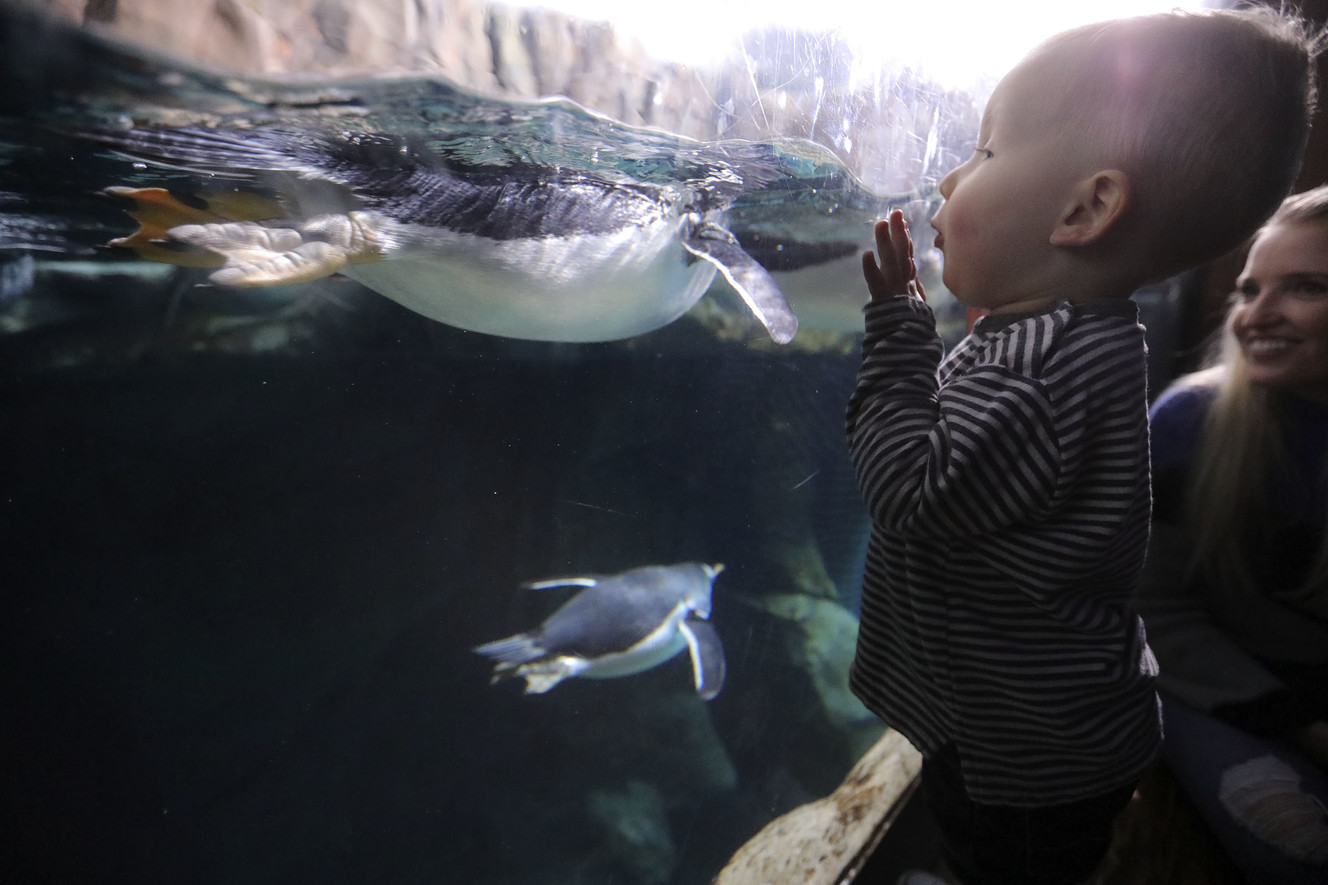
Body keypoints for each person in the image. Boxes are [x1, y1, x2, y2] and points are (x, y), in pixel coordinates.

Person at [843, 8, 1319, 885]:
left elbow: (909, 489)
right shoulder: (1082, 339)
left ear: (1087, 207)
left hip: (1019, 759)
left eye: (985, 153)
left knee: (999, 863)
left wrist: (899, 336)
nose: (951, 178)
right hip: (1050, 736)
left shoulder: (1038, 369)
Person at [1137, 186, 1328, 885]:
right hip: (1221, 691)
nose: (1256, 314)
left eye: (1306, 286)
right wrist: (1301, 723)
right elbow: (1153, 612)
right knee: (1299, 851)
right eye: (1249, 289)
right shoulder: (1190, 422)